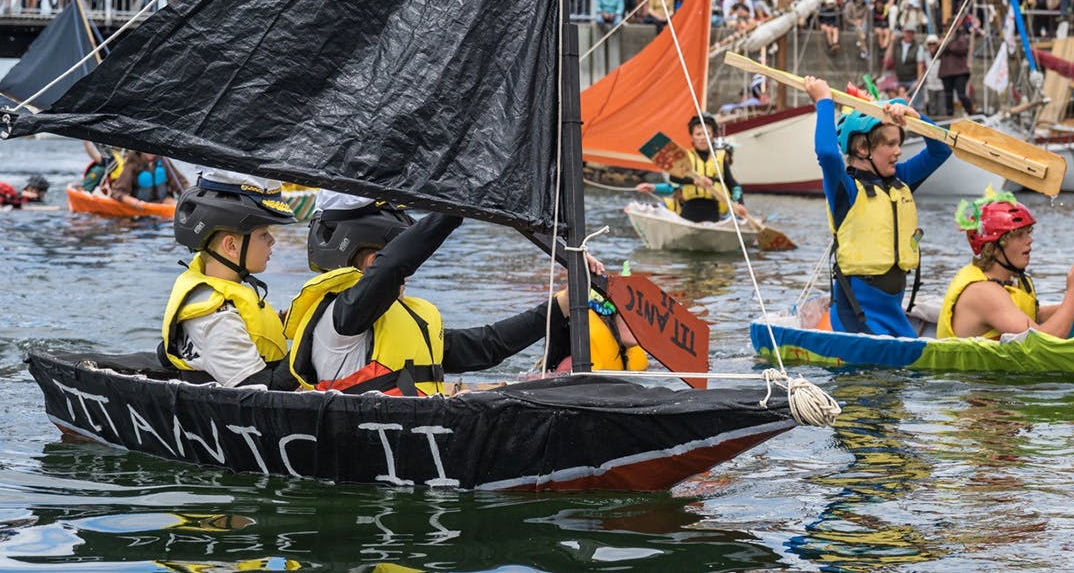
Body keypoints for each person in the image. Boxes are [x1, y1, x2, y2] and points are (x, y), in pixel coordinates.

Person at [283, 193, 642, 394]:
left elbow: (489, 346)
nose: (410, 272)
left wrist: (563, 302)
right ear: (373, 261)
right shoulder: (340, 323)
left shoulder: (411, 320)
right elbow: (394, 267)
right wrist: (462, 203)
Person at [804, 76, 951, 337]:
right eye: (890, 144)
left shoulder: (901, 179)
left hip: (894, 314)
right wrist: (823, 100)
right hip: (857, 318)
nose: (898, 152)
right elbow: (827, 153)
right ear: (862, 148)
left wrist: (915, 117)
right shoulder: (846, 189)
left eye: (899, 143)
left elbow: (941, 150)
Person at [939, 191, 1074, 339]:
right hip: (976, 390)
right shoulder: (984, 292)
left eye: (1029, 233)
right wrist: (1073, 294)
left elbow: (1035, 316)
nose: (1029, 240)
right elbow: (1044, 340)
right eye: (1019, 235)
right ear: (995, 246)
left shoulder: (1009, 280)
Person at [161, 173, 301, 387]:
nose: (272, 241)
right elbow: (263, 392)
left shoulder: (218, 292)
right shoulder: (215, 321)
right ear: (231, 246)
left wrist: (282, 320)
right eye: (264, 234)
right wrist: (311, 340)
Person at [635, 115, 746, 223]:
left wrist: (739, 203)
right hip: (690, 209)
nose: (703, 138)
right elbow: (674, 178)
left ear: (713, 136)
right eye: (698, 134)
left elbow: (732, 184)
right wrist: (695, 181)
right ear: (692, 137)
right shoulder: (686, 156)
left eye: (707, 134)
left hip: (713, 211)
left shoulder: (720, 158)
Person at [106, 150, 189, 205]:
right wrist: (133, 202)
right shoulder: (132, 165)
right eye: (147, 151)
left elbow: (181, 183)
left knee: (173, 204)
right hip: (141, 205)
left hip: (164, 201)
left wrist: (188, 196)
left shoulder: (164, 161)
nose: (151, 153)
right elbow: (117, 192)